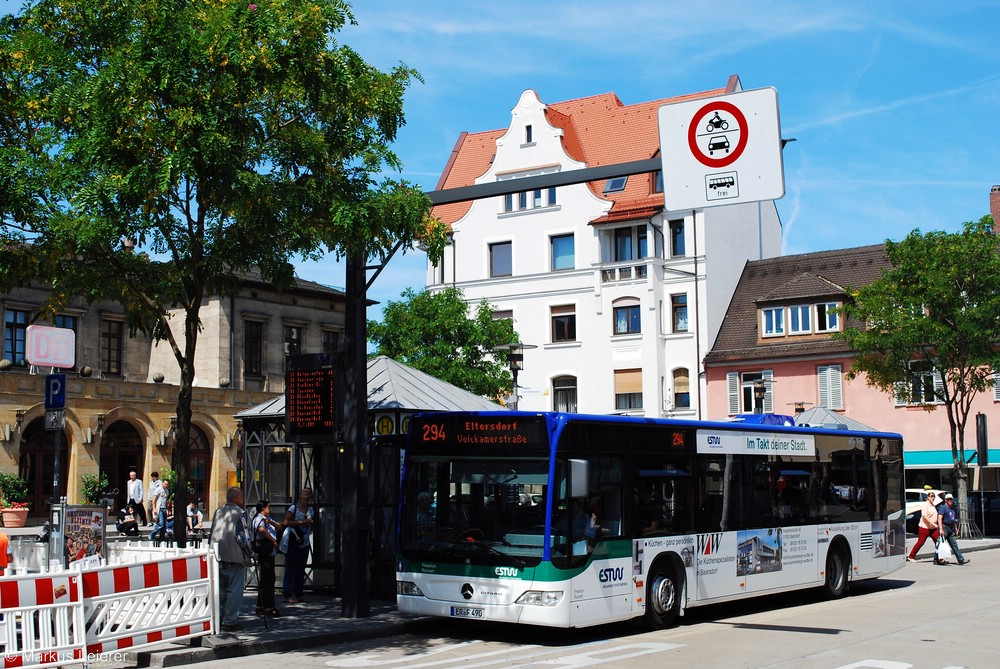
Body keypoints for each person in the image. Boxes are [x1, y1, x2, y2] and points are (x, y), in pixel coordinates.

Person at [210, 486, 252, 633]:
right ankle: (230, 621)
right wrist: (251, 552)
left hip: (218, 556)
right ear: (235, 498)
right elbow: (243, 537)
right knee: (234, 590)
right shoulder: (240, 513)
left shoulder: (218, 512)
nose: (243, 499)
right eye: (241, 496)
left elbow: (212, 533)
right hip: (235, 557)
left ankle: (218, 619)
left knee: (220, 590)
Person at [282, 487, 315, 603]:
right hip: (294, 540)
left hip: (305, 540)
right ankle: (288, 593)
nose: (307, 494)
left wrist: (310, 524)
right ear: (301, 495)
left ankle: (298, 592)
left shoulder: (311, 510)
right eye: (305, 492)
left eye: (309, 493)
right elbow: (286, 522)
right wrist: (301, 522)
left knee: (301, 568)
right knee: (291, 567)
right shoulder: (294, 508)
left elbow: (312, 526)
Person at [252, 499, 282, 618]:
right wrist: (273, 540)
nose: (270, 509)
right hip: (265, 551)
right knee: (268, 579)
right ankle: (269, 607)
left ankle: (261, 605)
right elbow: (261, 530)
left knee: (266, 579)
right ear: (263, 508)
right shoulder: (258, 518)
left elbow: (279, 527)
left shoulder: (267, 519)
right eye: (268, 507)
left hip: (269, 552)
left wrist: (271, 522)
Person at [906, 490, 940, 562]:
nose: (933, 498)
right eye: (931, 496)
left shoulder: (933, 506)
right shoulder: (925, 505)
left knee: (938, 541)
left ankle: (940, 557)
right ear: (928, 497)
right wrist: (932, 523)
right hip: (925, 527)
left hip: (933, 528)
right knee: (921, 542)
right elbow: (924, 516)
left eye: (934, 496)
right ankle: (911, 556)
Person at [937, 493, 969, 566]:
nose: (950, 501)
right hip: (945, 527)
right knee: (941, 544)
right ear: (946, 500)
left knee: (954, 545)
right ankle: (937, 559)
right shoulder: (943, 508)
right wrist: (941, 529)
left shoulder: (952, 509)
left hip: (951, 529)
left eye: (951, 499)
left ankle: (960, 560)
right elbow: (939, 518)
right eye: (948, 499)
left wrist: (956, 528)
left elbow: (953, 520)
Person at [149, 479, 170, 545]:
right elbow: (154, 499)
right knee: (161, 523)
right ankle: (152, 535)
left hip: (164, 508)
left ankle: (162, 537)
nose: (166, 485)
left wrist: (168, 509)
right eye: (165, 484)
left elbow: (166, 500)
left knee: (165, 524)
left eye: (167, 484)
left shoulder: (167, 490)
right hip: (159, 508)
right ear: (162, 483)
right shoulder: (158, 489)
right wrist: (154, 508)